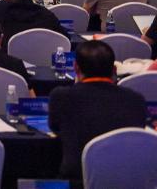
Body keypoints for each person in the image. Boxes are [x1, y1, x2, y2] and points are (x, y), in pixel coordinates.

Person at [49, 40, 147, 181]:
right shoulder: (136, 100)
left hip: (77, 180)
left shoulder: (61, 97)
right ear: (114, 70)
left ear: (76, 68)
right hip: (127, 180)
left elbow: (55, 128)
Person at [0, 0, 66, 47]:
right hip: (44, 54)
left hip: (10, 55)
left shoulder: (2, 10)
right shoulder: (47, 14)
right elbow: (65, 39)